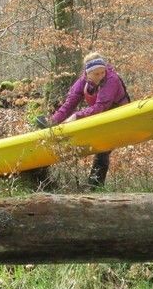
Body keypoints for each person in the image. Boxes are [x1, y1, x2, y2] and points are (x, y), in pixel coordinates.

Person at [36, 52, 130, 188]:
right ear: (88, 74)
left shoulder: (112, 79)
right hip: (101, 117)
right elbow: (69, 105)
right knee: (100, 146)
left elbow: (100, 107)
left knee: (103, 147)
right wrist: (53, 121)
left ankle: (95, 186)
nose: (100, 76)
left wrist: (77, 116)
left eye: (102, 72)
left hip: (118, 115)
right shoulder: (82, 83)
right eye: (96, 74)